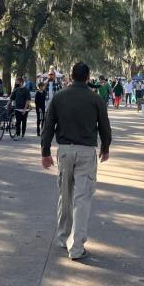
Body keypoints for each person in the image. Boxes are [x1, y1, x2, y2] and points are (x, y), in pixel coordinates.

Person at [40, 62, 111, 261]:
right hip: (86, 151)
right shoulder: (95, 99)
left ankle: (63, 237)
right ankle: (76, 246)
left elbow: (48, 126)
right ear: (88, 76)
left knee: (65, 194)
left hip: (64, 151)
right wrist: (106, 147)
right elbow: (105, 126)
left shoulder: (59, 97)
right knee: (82, 198)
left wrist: (45, 151)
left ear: (71, 76)